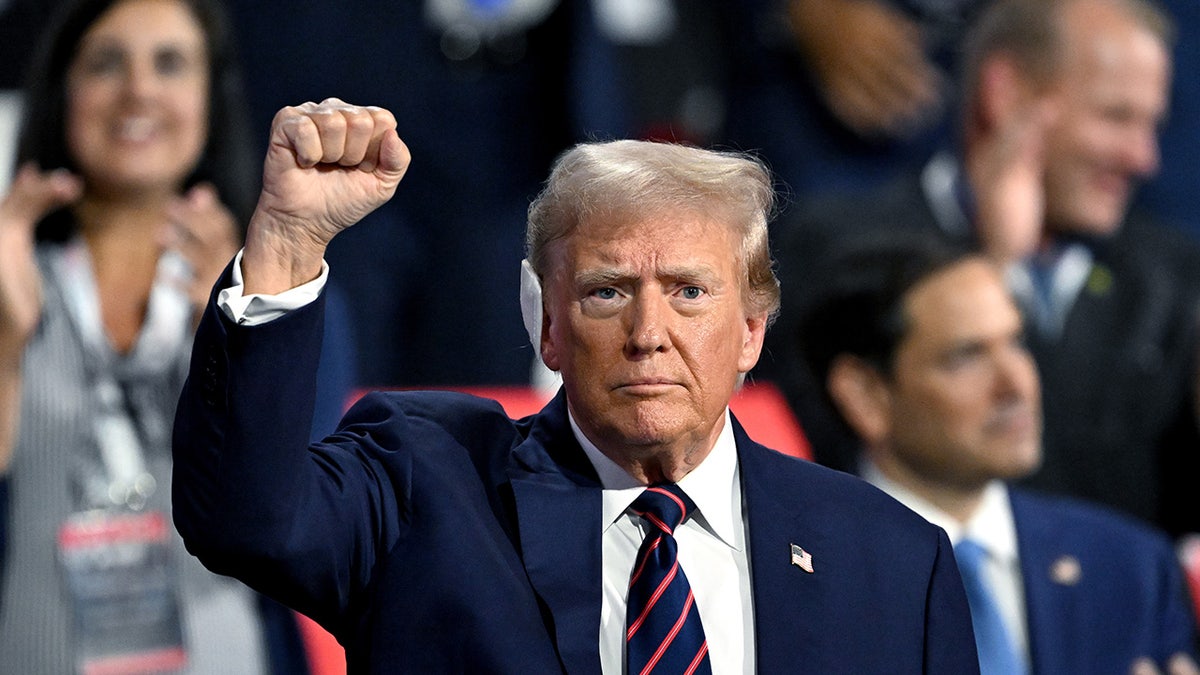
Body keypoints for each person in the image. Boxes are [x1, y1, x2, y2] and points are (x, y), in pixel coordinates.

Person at [171, 98, 979, 672]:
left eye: (690, 291)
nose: (648, 332)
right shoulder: (426, 487)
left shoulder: (892, 562)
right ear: (547, 325)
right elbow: (245, 517)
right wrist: (286, 241)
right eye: (608, 291)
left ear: (753, 329)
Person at [763, 0, 1200, 537]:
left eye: (1152, 123)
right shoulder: (840, 248)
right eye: (1115, 117)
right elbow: (851, 475)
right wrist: (999, 265)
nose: (1144, 158)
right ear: (1007, 94)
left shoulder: (1170, 275)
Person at [0, 0, 321, 672]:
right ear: (64, 92)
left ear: (210, 97)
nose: (139, 88)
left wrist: (249, 336)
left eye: (170, 63)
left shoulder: (279, 289)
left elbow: (298, 510)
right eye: (107, 62)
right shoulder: (11, 273)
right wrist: (4, 339)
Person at [796, 232, 1199, 674]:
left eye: (1017, 342)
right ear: (866, 395)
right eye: (966, 357)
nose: (1017, 384)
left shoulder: (1132, 569)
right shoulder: (796, 584)